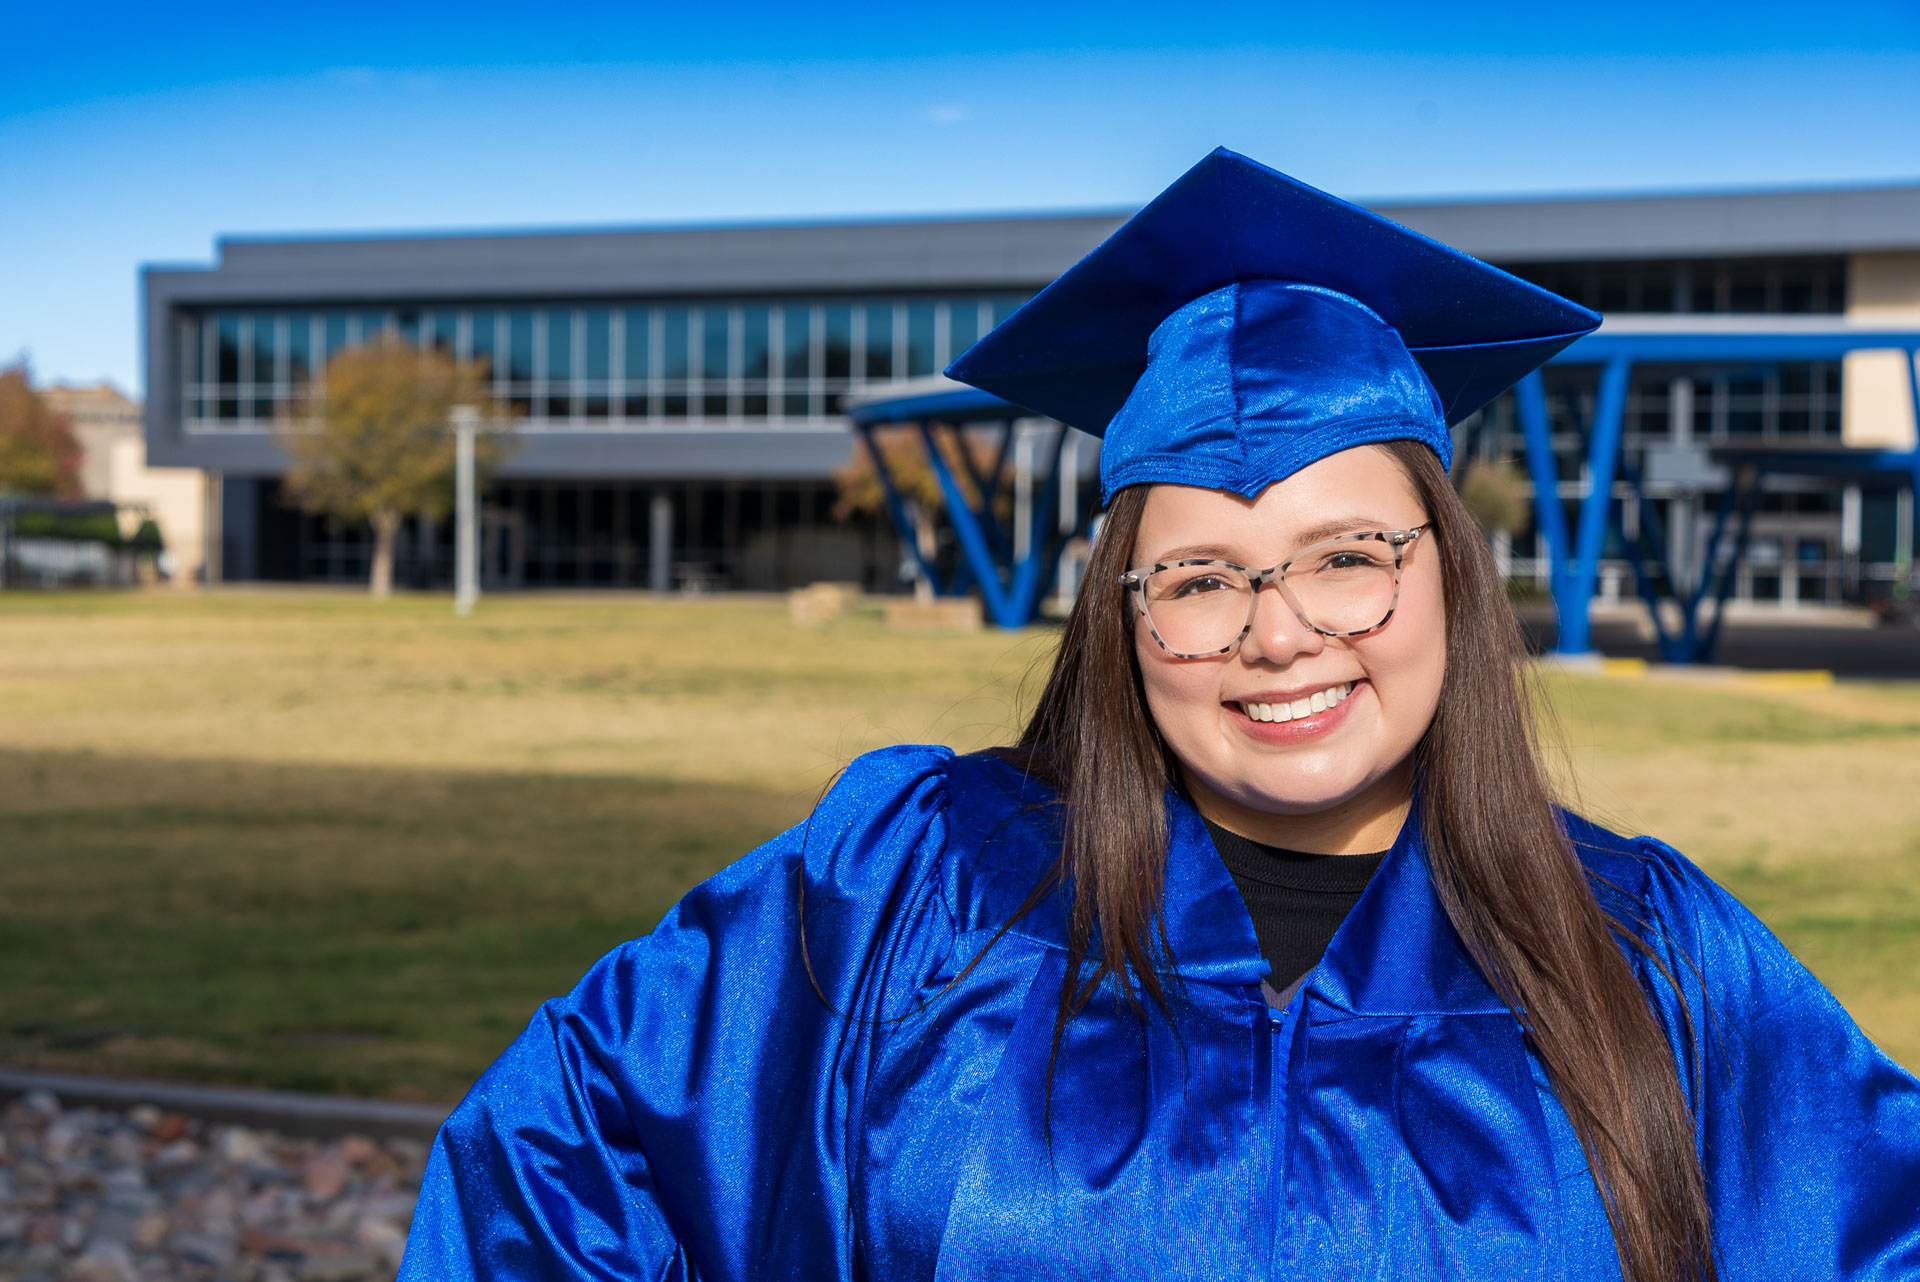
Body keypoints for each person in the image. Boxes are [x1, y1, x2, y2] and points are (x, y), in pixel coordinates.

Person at [398, 150, 1920, 1281]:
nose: (1278, 634)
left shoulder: (1649, 951)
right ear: (1125, 620)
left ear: (1449, 577)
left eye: (1348, 557)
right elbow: (548, 1171)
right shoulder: (915, 891)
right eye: (1200, 577)